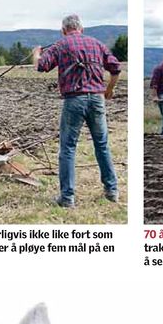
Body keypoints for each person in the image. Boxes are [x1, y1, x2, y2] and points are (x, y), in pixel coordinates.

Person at [32, 15, 121, 209]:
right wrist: (110, 89)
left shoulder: (60, 45)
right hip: (97, 99)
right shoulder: (96, 44)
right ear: (81, 28)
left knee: (68, 148)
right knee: (102, 145)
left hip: (74, 101)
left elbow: (41, 66)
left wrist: (37, 53)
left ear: (63, 30)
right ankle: (112, 191)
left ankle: (67, 197)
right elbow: (115, 68)